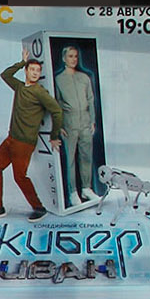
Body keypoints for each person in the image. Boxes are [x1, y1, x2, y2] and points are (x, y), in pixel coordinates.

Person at [0, 56, 61, 220]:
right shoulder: (20, 87)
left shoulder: (39, 92)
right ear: (26, 71)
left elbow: (57, 112)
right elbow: (5, 75)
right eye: (32, 69)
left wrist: (54, 136)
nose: (35, 73)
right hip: (11, 139)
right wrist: (22, 62)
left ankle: (39, 208)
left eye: (38, 71)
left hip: (24, 142)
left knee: (19, 176)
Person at [55, 45, 97, 204]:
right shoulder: (59, 79)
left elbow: (91, 100)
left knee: (86, 156)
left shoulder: (84, 77)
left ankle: (86, 189)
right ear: (64, 58)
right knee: (70, 159)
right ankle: (73, 192)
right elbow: (56, 104)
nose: (73, 59)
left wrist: (92, 120)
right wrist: (59, 125)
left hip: (85, 122)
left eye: (75, 56)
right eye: (70, 56)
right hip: (69, 123)